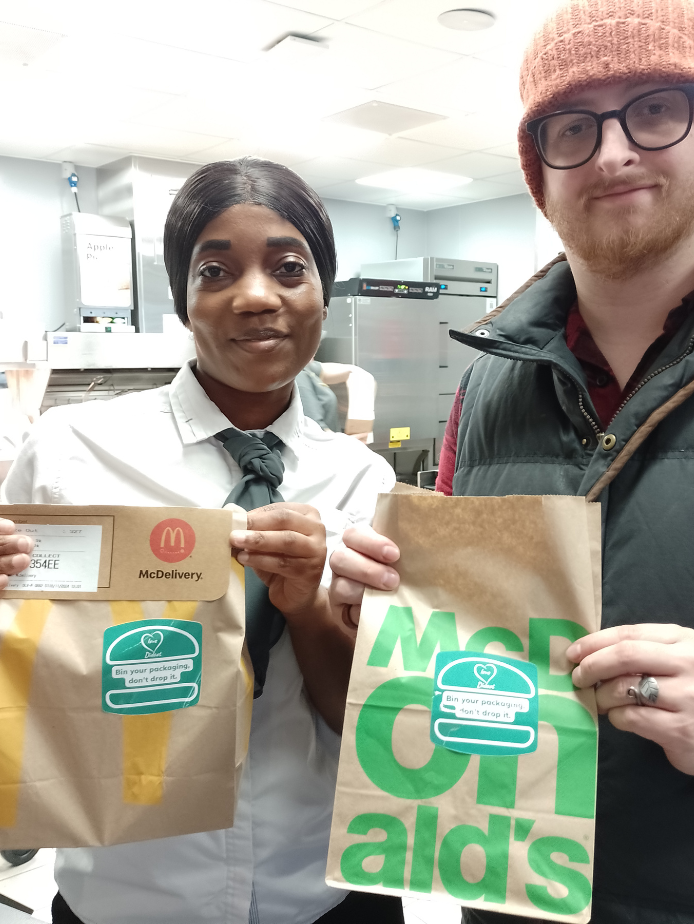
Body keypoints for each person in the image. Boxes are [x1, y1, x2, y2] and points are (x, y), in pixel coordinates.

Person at [330, 1, 694, 922]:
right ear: (538, 174)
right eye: (572, 127)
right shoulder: (480, 393)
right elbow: (460, 645)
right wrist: (384, 616)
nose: (613, 153)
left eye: (656, 110)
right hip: (505, 892)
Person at [0, 158, 402, 923]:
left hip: (321, 886)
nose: (255, 297)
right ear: (185, 302)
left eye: (289, 267)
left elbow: (370, 718)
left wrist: (309, 608)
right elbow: (24, 673)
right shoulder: (71, 452)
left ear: (322, 293)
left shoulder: (362, 480)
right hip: (129, 891)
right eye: (215, 271)